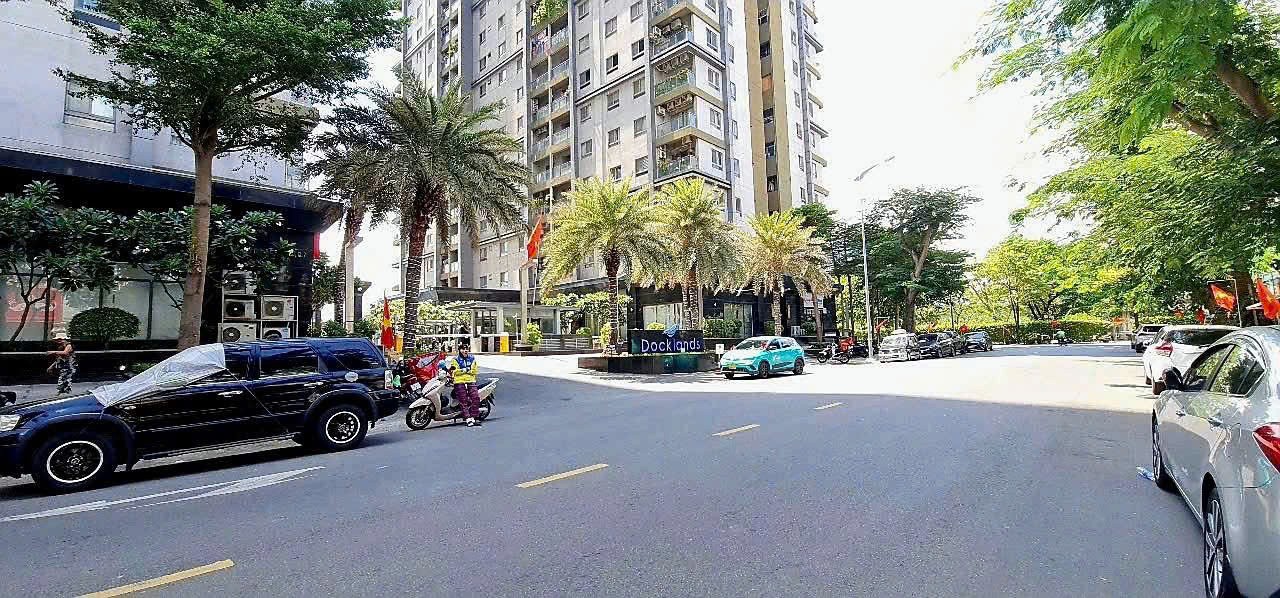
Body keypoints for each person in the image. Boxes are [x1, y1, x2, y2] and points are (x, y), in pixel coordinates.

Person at [444, 344, 482, 427]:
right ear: (459, 350)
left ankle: (473, 417)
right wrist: (466, 370)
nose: (465, 351)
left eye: (466, 349)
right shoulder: (455, 360)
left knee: (476, 398)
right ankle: (467, 418)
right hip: (459, 382)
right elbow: (455, 371)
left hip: (471, 381)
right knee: (463, 400)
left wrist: (463, 370)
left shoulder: (472, 359)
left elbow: (474, 371)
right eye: (463, 349)